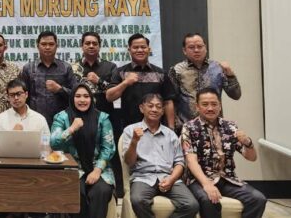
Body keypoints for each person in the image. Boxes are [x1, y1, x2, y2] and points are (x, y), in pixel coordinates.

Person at [182, 88, 266, 218]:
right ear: (197, 107)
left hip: (227, 178)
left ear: (220, 106)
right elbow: (190, 160)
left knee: (258, 199)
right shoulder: (189, 127)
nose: (210, 108)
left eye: (214, 104)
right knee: (209, 199)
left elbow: (251, 157)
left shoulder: (230, 126)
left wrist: (248, 142)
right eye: (205, 104)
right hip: (199, 179)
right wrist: (207, 184)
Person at [122, 94, 198, 218]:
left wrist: (171, 179)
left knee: (192, 205)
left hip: (168, 177)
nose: (154, 109)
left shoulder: (170, 134)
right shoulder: (130, 130)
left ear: (162, 111)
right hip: (143, 177)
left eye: (158, 107)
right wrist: (134, 141)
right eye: (150, 106)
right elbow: (129, 162)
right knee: (137, 200)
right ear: (141, 108)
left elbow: (180, 162)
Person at [51, 83, 115, 218]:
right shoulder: (61, 117)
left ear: (91, 99)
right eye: (78, 96)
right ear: (72, 98)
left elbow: (108, 147)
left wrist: (97, 170)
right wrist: (71, 129)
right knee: (75, 191)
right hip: (72, 169)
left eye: (86, 96)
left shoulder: (102, 118)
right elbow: (54, 143)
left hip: (99, 168)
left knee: (101, 191)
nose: (82, 100)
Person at [71, 31, 123, 196]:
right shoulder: (74, 68)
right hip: (79, 119)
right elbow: (71, 92)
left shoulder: (110, 67)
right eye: (87, 43)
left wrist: (99, 81)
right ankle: (83, 184)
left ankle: (115, 191)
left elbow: (115, 91)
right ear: (82, 46)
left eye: (95, 43)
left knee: (109, 153)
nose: (91, 46)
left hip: (105, 118)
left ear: (100, 46)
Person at [168, 33, 242, 132]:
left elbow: (236, 95)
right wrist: (173, 126)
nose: (196, 50)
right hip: (186, 128)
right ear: (184, 51)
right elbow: (170, 101)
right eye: (191, 47)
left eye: (200, 46)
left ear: (205, 48)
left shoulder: (218, 68)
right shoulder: (176, 70)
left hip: (215, 127)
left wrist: (230, 74)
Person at [106, 33, 176, 128]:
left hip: (156, 127)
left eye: (143, 47)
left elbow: (168, 102)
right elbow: (109, 97)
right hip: (129, 127)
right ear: (129, 50)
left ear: (149, 49)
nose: (139, 50)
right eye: (135, 47)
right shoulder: (120, 72)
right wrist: (125, 83)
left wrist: (171, 127)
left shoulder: (161, 73)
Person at [21, 30, 75, 126]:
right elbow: (23, 96)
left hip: (61, 121)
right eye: (44, 44)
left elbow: (76, 95)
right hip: (34, 121)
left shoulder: (66, 68)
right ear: (38, 46)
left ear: (56, 46)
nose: (47, 47)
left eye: (51, 44)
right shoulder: (28, 69)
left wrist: (60, 89)